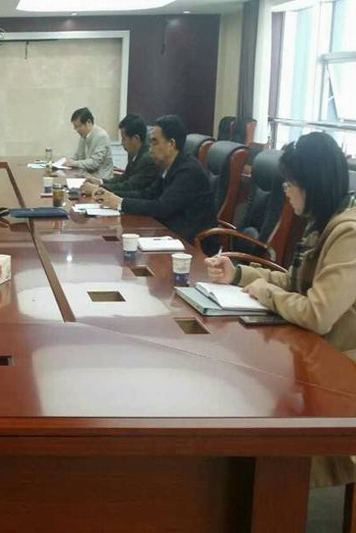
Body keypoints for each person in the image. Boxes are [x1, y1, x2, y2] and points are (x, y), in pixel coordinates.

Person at [208, 131, 356, 489]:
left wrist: (268, 294)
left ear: (313, 184)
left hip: (342, 371)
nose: (286, 192)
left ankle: (269, 496)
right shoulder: (323, 223)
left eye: (291, 184)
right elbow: (293, 282)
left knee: (264, 421)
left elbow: (318, 314)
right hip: (317, 355)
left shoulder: (349, 233)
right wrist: (239, 274)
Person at [90, 114, 218, 255]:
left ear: (171, 144)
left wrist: (120, 203)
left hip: (192, 244)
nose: (150, 148)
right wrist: (112, 197)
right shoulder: (168, 166)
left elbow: (162, 207)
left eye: (154, 142)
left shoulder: (188, 171)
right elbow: (148, 194)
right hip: (170, 234)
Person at [81, 114, 159, 199]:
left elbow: (129, 186)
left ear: (135, 138)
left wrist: (98, 189)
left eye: (124, 139)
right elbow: (124, 178)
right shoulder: (134, 153)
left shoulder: (148, 159)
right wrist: (100, 182)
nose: (122, 143)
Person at [65, 107, 113, 182]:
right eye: (75, 128)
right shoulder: (83, 136)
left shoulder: (101, 136)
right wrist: (69, 161)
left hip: (100, 180)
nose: (77, 130)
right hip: (86, 176)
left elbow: (94, 163)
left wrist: (73, 163)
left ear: (88, 122)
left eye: (79, 127)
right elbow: (78, 156)